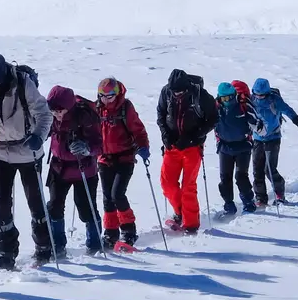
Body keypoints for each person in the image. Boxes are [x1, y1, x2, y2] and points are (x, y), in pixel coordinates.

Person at [0, 51, 54, 268]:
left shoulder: (23, 83)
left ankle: (43, 247)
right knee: (1, 203)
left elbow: (44, 113)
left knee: (35, 201)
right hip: (0, 151)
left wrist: (39, 136)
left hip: (28, 151)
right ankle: (5, 252)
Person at [44, 85, 104, 257]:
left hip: (83, 169)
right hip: (58, 168)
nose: (56, 113)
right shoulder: (52, 116)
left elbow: (99, 145)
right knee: (54, 207)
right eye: (53, 110)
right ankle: (57, 245)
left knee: (86, 208)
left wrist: (87, 148)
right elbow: (45, 129)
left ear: (69, 106)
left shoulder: (85, 116)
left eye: (59, 110)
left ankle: (94, 244)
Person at [156, 69, 216, 234]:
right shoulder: (166, 92)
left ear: (187, 87)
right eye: (174, 91)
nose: (177, 94)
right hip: (172, 146)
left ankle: (191, 224)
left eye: (180, 91)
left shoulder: (200, 95)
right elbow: (160, 115)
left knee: (188, 185)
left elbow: (213, 118)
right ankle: (180, 212)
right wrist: (165, 135)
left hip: (193, 146)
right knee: (167, 183)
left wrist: (193, 137)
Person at [95, 76, 150, 248]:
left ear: (117, 94)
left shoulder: (126, 108)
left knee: (117, 194)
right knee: (107, 198)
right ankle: (111, 232)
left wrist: (143, 147)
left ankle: (128, 230)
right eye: (102, 96)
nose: (105, 100)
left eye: (109, 96)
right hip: (104, 159)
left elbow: (138, 130)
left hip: (124, 158)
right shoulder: (97, 109)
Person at [250, 77, 298, 206]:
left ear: (267, 93)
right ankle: (260, 198)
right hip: (257, 139)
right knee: (257, 169)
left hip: (273, 138)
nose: (259, 97)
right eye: (256, 94)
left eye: (261, 95)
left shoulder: (274, 100)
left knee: (269, 168)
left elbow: (287, 110)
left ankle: (279, 194)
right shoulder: (251, 99)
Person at [213, 81, 260, 215]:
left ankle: (248, 202)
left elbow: (255, 121)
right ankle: (229, 205)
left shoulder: (243, 105)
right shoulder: (216, 107)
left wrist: (259, 128)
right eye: (224, 98)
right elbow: (209, 123)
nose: (227, 101)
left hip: (243, 146)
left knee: (241, 176)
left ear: (234, 94)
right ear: (219, 97)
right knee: (225, 178)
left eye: (229, 97)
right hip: (224, 147)